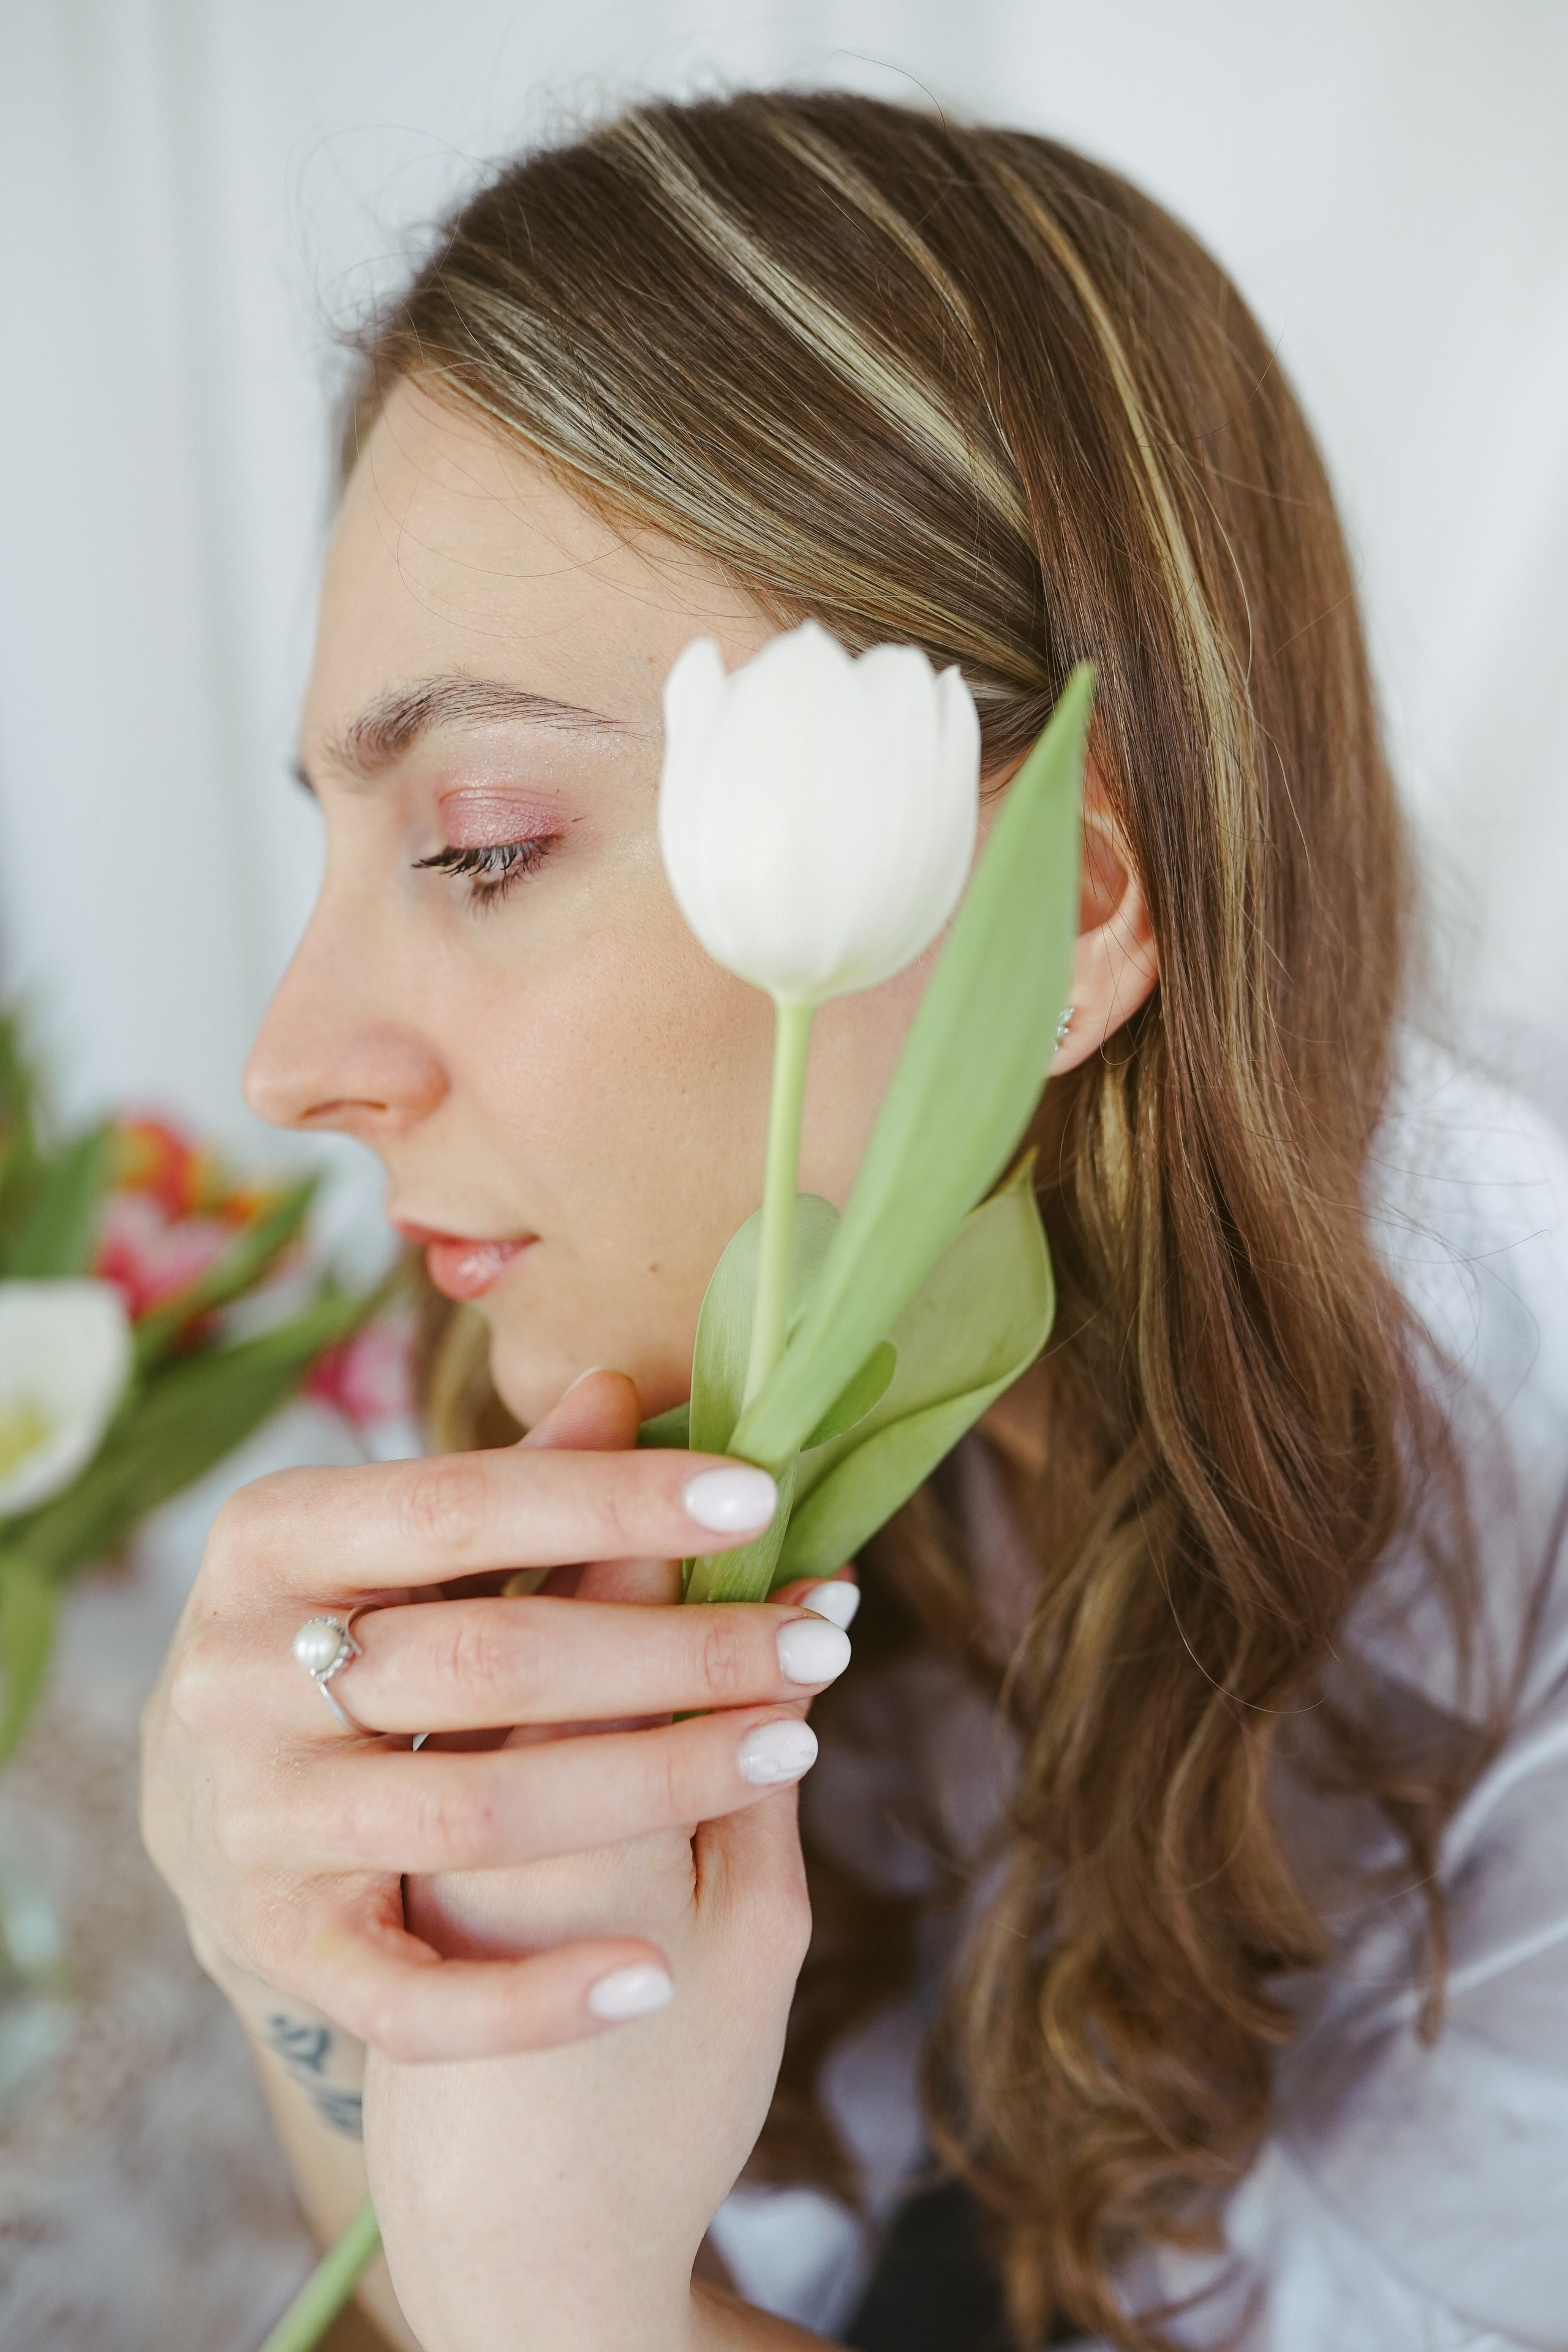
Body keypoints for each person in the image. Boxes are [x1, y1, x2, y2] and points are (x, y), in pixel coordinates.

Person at [140, 90, 1568, 2352]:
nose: (295, 1060)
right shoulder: (792, 1425)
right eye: (341, 841)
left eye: (484, 838)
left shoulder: (1533, 1585)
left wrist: (554, 2295)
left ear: (1069, 902)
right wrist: (304, 1958)